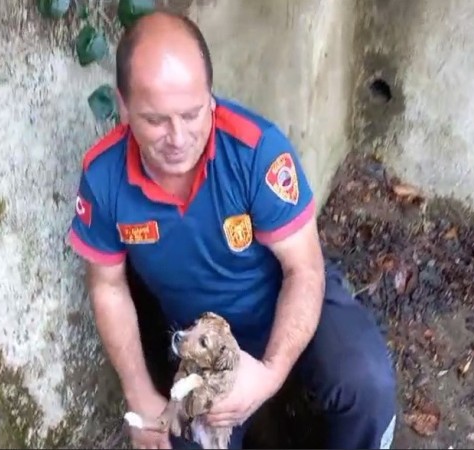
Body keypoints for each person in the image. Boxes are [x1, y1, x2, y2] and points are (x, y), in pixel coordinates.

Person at [67, 10, 397, 450]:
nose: (178, 138)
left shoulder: (256, 151)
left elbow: (304, 270)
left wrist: (269, 375)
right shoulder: (104, 176)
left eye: (191, 114)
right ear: (123, 106)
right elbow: (107, 287)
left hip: (284, 299)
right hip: (201, 340)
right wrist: (139, 395)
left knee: (367, 383)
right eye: (155, 120)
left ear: (210, 97)